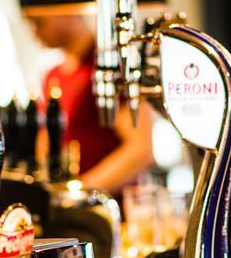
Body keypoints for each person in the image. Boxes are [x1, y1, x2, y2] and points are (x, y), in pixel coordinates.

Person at [26, 11, 154, 194]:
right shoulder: (52, 75)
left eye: (39, 22)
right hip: (73, 207)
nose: (34, 32)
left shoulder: (110, 67)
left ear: (67, 11)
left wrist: (79, 192)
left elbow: (141, 150)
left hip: (110, 208)